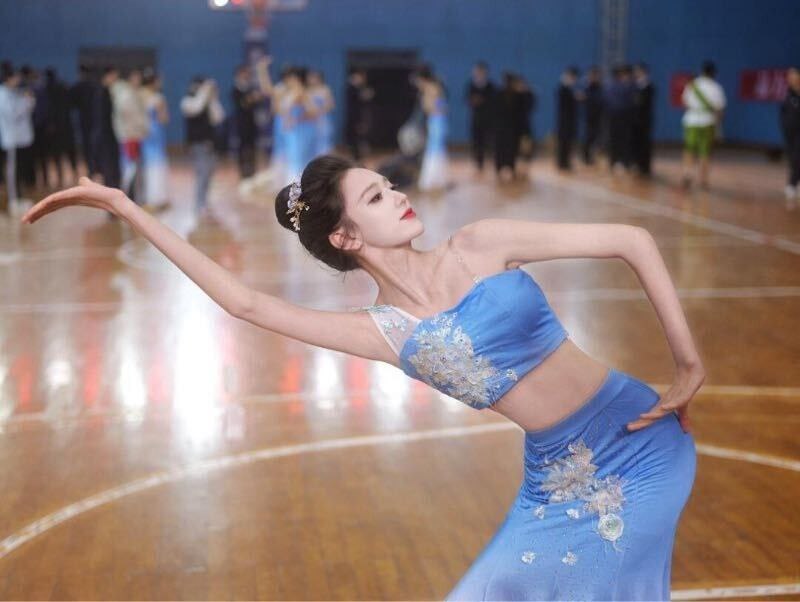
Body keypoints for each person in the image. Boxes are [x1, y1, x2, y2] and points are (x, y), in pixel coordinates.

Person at [22, 153, 703, 600]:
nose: (398, 195)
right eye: (376, 196)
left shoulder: (481, 243)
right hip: (556, 479)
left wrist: (688, 365)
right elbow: (245, 303)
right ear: (346, 237)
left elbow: (631, 241)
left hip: (642, 442)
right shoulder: (386, 332)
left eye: (390, 184)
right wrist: (124, 205)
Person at [180, 76, 225, 218]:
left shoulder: (208, 102)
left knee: (208, 175)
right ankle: (199, 204)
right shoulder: (187, 101)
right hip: (197, 145)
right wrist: (205, 91)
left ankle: (204, 202)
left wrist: (213, 98)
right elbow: (196, 108)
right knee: (202, 174)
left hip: (210, 144)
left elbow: (219, 117)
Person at [681, 60, 726, 189]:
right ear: (713, 73)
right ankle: (703, 180)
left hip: (691, 121)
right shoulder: (716, 87)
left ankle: (687, 174)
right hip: (708, 122)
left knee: (689, 149)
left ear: (702, 71)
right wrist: (719, 127)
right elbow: (720, 109)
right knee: (705, 151)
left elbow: (684, 102)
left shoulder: (692, 85)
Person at [111, 68, 149, 203]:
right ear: (131, 78)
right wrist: (142, 127)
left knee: (134, 167)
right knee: (130, 169)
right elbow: (132, 116)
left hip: (133, 135)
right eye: (136, 77)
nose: (138, 80)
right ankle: (128, 197)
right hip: (129, 136)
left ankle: (133, 197)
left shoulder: (131, 93)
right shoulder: (126, 95)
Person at [0, 66, 35, 213]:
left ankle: (19, 198)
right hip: (11, 140)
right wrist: (26, 103)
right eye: (15, 77)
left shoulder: (13, 92)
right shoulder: (2, 94)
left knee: (19, 171)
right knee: (12, 172)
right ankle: (13, 201)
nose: (18, 80)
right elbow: (12, 114)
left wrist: (27, 101)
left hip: (19, 139)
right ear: (8, 78)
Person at [140, 69, 170, 211]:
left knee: (145, 167)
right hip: (155, 133)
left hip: (142, 133)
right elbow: (164, 118)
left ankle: (146, 199)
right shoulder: (158, 98)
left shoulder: (138, 95)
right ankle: (158, 199)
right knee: (157, 166)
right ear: (154, 82)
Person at [416, 66, 450, 192]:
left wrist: (435, 109)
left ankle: (431, 181)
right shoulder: (434, 87)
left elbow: (434, 106)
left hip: (436, 121)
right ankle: (437, 180)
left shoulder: (431, 88)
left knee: (434, 150)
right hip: (436, 120)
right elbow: (441, 105)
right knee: (436, 150)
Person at [92, 66, 121, 191]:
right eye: (115, 76)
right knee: (109, 170)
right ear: (109, 75)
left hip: (107, 135)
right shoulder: (101, 93)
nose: (116, 79)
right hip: (105, 136)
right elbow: (101, 118)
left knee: (111, 169)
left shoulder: (106, 91)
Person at [464, 61, 495, 175]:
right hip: (476, 119)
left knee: (489, 142)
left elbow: (494, 101)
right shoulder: (471, 85)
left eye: (480, 71)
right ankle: (479, 164)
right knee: (477, 142)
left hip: (488, 119)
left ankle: (491, 163)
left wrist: (483, 101)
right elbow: (467, 99)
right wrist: (473, 101)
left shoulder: (491, 86)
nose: (478, 73)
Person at [231, 63, 262, 179]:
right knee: (242, 147)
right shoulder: (235, 89)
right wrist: (252, 99)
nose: (246, 75)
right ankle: (243, 170)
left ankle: (252, 170)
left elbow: (257, 102)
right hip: (241, 124)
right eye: (244, 73)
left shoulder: (250, 88)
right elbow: (242, 103)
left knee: (252, 147)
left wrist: (254, 99)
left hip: (251, 123)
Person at [604, 65, 635, 174]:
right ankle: (622, 161)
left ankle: (615, 161)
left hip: (614, 116)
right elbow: (629, 101)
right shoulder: (624, 86)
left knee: (616, 139)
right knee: (622, 140)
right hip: (621, 116)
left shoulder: (609, 86)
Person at [780, 67, 800, 210]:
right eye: (789, 76)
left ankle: (792, 185)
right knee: (793, 158)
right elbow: (783, 112)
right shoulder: (788, 94)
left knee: (798, 157)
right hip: (789, 133)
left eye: (793, 76)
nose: (790, 78)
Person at [344, 68, 373, 160]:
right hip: (354, 118)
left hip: (359, 117)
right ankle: (356, 156)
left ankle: (358, 156)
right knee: (354, 139)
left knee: (359, 138)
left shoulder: (359, 88)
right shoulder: (352, 89)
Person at [631, 62, 655, 177]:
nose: (636, 73)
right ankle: (637, 164)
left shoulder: (649, 86)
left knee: (645, 143)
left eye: (637, 71)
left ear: (643, 72)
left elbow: (643, 103)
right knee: (636, 143)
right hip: (635, 119)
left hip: (644, 120)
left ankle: (645, 167)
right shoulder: (635, 85)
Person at [555, 66, 579, 171]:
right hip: (565, 120)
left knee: (568, 142)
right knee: (563, 142)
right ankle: (562, 162)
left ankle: (565, 162)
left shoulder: (570, 88)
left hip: (569, 120)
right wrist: (574, 97)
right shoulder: (563, 88)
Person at [307, 69, 335, 157]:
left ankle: (323, 158)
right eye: (310, 77)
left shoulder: (325, 89)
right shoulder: (307, 90)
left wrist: (319, 111)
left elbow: (331, 105)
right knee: (311, 140)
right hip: (310, 120)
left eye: (313, 77)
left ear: (319, 78)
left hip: (322, 119)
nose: (311, 79)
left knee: (323, 139)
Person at [581, 66, 604, 165]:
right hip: (589, 116)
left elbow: (601, 100)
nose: (593, 77)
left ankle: (595, 156)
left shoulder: (601, 88)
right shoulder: (587, 87)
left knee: (598, 137)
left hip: (599, 116)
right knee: (588, 137)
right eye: (591, 75)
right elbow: (584, 100)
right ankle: (586, 157)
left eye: (595, 75)